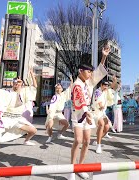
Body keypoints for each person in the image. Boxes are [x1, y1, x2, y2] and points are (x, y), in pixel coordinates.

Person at [68, 45, 110, 180]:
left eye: (91, 72)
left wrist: (104, 57)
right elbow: (80, 99)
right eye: (88, 71)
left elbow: (99, 71)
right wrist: (86, 114)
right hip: (79, 115)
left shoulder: (89, 82)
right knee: (78, 140)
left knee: (86, 142)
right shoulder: (77, 84)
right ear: (81, 71)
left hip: (88, 114)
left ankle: (80, 167)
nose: (91, 74)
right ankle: (71, 169)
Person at [45, 78, 73, 143]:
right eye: (57, 88)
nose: (58, 89)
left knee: (67, 124)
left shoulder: (63, 95)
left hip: (59, 113)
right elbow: (52, 105)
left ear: (62, 89)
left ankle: (60, 134)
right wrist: (50, 114)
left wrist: (71, 81)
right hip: (53, 113)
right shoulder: (55, 97)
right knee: (50, 125)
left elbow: (69, 89)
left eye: (59, 88)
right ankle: (50, 136)